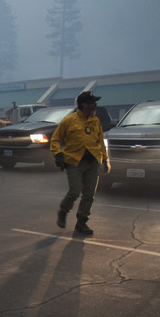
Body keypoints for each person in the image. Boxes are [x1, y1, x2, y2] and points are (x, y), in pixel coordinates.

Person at [49, 91, 110, 235]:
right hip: (74, 162)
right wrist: (57, 154)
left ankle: (81, 223)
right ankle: (64, 210)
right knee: (75, 191)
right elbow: (55, 139)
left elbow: (100, 142)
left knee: (89, 195)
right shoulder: (69, 120)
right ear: (84, 105)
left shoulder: (95, 121)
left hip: (92, 163)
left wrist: (105, 160)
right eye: (92, 103)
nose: (95, 105)